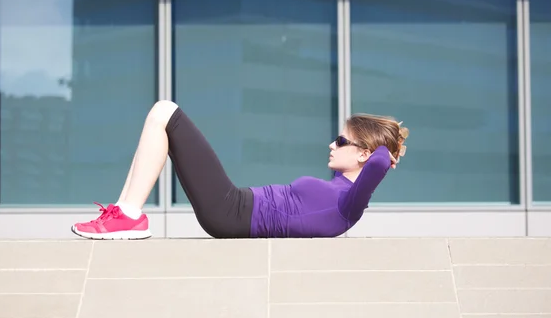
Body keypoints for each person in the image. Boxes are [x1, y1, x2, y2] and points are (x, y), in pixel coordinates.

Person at [71, 100, 409, 240]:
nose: (332, 145)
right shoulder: (340, 187)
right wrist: (384, 148)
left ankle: (128, 216)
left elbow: (379, 162)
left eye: (341, 140)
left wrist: (384, 154)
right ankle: (123, 213)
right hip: (232, 206)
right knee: (160, 120)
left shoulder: (351, 202)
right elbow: (377, 160)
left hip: (231, 210)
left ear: (364, 153)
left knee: (165, 111)